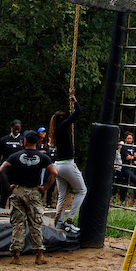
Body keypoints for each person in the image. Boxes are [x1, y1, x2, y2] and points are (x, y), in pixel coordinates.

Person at [0, 129, 57, 265]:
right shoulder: (43, 157)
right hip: (34, 192)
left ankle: (16, 255)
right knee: (35, 224)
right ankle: (39, 255)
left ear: (24, 141)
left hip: (18, 191)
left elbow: (1, 171)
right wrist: (45, 188)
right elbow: (54, 173)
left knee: (18, 224)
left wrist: (8, 186)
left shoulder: (15, 156)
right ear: (37, 142)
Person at [48, 95, 86, 233]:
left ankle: (59, 222)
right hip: (67, 164)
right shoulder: (63, 126)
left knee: (62, 196)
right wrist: (75, 101)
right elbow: (78, 113)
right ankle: (69, 221)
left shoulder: (57, 130)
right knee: (82, 191)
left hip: (58, 165)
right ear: (64, 119)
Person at [0, 120, 24, 209]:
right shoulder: (3, 140)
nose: (16, 131)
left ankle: (13, 214)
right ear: (11, 128)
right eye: (15, 129)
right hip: (5, 171)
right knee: (4, 194)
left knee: (15, 196)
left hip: (18, 171)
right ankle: (1, 211)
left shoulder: (23, 140)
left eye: (18, 129)